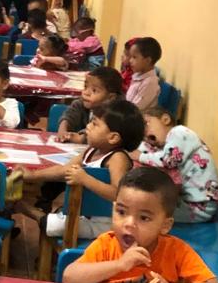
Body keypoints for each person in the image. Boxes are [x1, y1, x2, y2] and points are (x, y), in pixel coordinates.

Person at [62, 167, 218, 283]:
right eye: (121, 212)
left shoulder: (176, 251)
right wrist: (119, 265)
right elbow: (69, 277)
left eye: (144, 218)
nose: (129, 223)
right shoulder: (106, 244)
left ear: (165, 225)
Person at [36, 99, 144, 239]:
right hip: (83, 217)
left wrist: (85, 179)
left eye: (95, 124)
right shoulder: (92, 150)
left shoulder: (118, 158)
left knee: (53, 224)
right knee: (58, 215)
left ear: (113, 138)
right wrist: (31, 175)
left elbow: (118, 194)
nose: (88, 126)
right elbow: (64, 170)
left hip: (105, 225)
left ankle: (29, 211)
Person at [139, 106, 218, 224]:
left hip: (199, 208)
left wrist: (139, 156)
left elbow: (168, 160)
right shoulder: (170, 142)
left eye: (146, 123)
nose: (145, 132)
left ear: (165, 119)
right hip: (192, 203)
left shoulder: (179, 132)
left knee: (146, 212)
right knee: (144, 207)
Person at [56, 66, 125, 143]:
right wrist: (63, 129)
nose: (86, 93)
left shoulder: (114, 115)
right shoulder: (81, 104)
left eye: (94, 90)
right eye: (85, 87)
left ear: (110, 97)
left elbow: (101, 135)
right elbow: (69, 115)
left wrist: (81, 138)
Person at [125, 37, 162, 113]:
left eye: (134, 57)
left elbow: (135, 109)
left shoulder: (150, 83)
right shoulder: (138, 75)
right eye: (131, 57)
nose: (130, 60)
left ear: (148, 60)